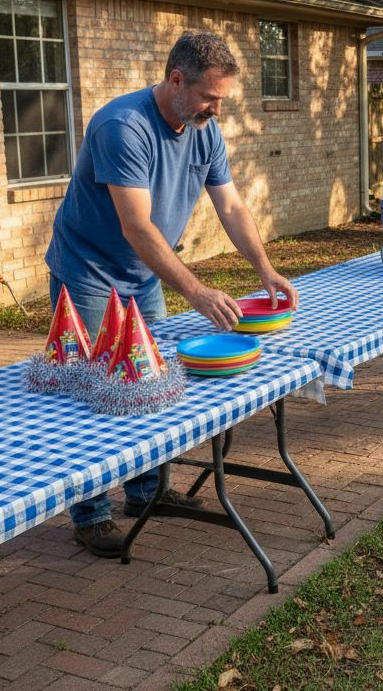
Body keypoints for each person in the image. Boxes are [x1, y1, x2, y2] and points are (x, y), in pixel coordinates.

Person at [46, 31, 299, 558]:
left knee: (150, 384)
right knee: (96, 396)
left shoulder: (203, 129)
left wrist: (266, 270)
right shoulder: (123, 126)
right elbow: (137, 227)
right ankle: (90, 515)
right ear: (176, 80)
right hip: (89, 276)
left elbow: (230, 207)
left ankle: (146, 494)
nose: (218, 108)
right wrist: (198, 292)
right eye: (210, 96)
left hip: (141, 277)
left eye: (224, 98)